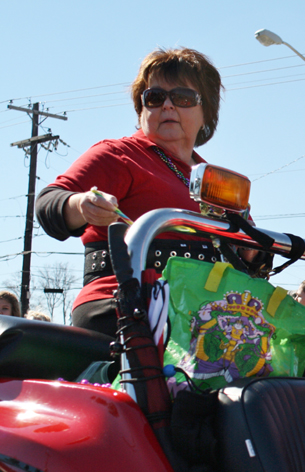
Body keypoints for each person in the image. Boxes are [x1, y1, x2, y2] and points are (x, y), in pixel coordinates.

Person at [36, 47, 232, 338]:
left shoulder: (217, 181)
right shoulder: (118, 155)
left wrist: (254, 253)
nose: (167, 105)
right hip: (126, 300)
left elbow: (250, 250)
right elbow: (48, 202)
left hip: (207, 306)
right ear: (142, 109)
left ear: (207, 112)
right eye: (154, 97)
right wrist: (81, 205)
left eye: (182, 98)